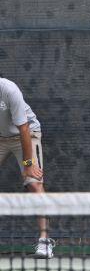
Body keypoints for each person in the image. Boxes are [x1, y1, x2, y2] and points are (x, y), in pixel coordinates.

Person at [0, 76, 53, 257]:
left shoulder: (9, 90)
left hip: (27, 133)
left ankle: (45, 242)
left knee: (34, 183)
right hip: (1, 137)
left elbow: (23, 128)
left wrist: (28, 164)